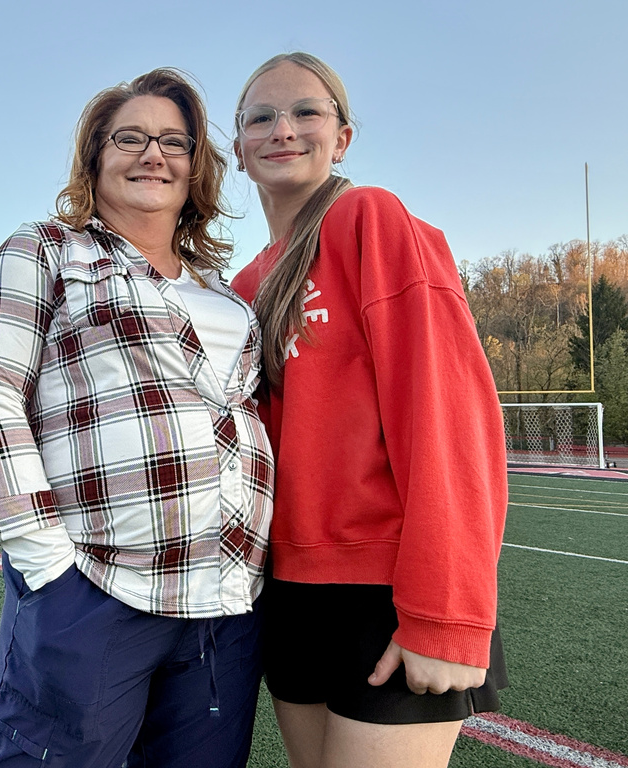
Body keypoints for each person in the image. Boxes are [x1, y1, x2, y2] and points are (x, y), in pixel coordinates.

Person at [0, 68, 274, 768]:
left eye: (173, 141)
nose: (152, 153)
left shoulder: (228, 297)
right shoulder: (44, 250)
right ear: (95, 157)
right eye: (129, 137)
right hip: (97, 587)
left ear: (197, 169)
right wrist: (49, 570)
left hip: (224, 602)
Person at [229, 52, 509, 768]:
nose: (282, 129)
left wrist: (447, 613)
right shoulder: (245, 284)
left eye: (305, 112)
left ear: (342, 137)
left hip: (382, 592)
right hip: (288, 592)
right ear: (237, 150)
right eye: (261, 117)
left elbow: (446, 410)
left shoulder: (368, 218)